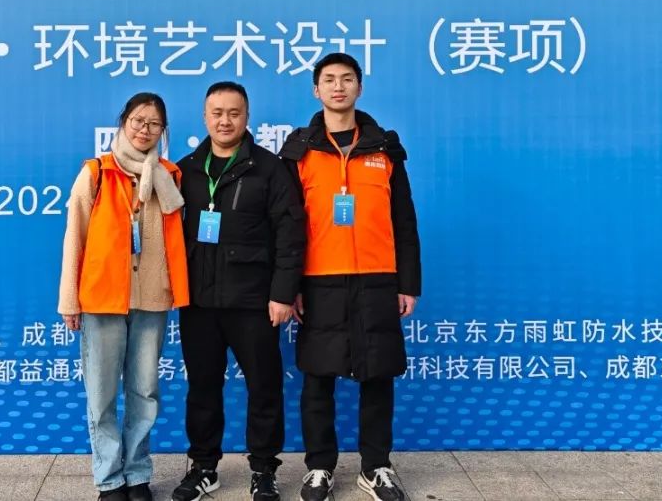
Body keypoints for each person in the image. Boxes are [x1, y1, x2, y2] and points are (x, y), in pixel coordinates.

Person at [278, 54, 422, 501]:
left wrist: (408, 283)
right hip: (319, 280)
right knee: (317, 377)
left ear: (359, 87)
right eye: (329, 80)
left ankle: (376, 466)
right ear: (316, 90)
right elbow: (287, 225)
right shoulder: (298, 151)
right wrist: (289, 286)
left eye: (346, 79)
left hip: (377, 278)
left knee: (378, 375)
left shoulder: (384, 148)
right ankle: (319, 467)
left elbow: (404, 219)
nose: (338, 86)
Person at [171, 82, 305, 501]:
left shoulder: (269, 168)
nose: (225, 121)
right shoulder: (185, 170)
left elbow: (290, 234)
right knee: (202, 388)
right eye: (217, 113)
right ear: (204, 117)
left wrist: (282, 294)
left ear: (247, 117)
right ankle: (203, 467)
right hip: (199, 303)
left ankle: (264, 470)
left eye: (234, 113)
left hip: (254, 302)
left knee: (264, 387)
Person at [58, 92, 190, 501]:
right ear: (123, 122)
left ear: (163, 131)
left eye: (154, 124)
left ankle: (137, 474)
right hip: (102, 300)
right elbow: (75, 238)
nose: (145, 130)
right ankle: (109, 479)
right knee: (101, 395)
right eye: (138, 120)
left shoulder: (170, 176)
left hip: (152, 299)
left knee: (144, 392)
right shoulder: (96, 173)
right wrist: (70, 301)